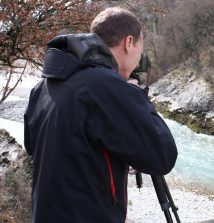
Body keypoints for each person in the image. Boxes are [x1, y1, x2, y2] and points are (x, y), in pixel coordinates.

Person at [24, 7, 178, 223]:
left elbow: (33, 146)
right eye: (139, 50)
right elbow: (163, 157)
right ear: (129, 42)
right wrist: (136, 97)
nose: (138, 59)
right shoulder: (106, 87)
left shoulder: (44, 86)